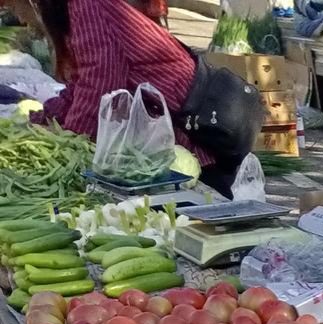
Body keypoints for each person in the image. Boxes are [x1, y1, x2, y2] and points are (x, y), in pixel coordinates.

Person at [28, 0, 263, 195]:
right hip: (174, 125)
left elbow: (100, 84)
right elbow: (82, 80)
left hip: (194, 127)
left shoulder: (87, 4)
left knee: (197, 219)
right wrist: (45, 119)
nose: (20, 19)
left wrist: (69, 146)